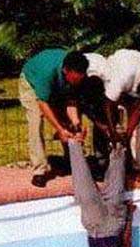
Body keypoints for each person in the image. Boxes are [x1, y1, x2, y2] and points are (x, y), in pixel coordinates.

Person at [19, 49, 89, 187]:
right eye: (74, 79)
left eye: (79, 79)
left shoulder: (77, 75)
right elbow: (43, 104)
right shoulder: (47, 73)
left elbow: (71, 101)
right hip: (31, 83)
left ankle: (72, 161)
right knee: (36, 121)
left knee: (70, 123)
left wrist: (76, 125)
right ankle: (39, 170)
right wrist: (59, 129)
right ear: (65, 71)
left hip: (55, 85)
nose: (76, 82)